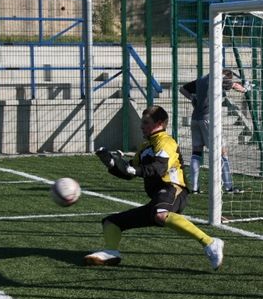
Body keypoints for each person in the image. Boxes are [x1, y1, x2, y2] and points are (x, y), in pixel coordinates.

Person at [84, 105, 224, 270]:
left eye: (146, 123)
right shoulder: (145, 146)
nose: (141, 126)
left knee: (160, 214)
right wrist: (112, 163)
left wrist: (133, 169)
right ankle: (111, 252)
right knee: (111, 222)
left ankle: (210, 243)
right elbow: (129, 172)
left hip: (173, 189)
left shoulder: (166, 142)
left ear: (160, 123)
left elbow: (159, 168)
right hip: (158, 197)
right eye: (142, 122)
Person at [179, 69, 247, 194]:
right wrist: (246, 89)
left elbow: (182, 89)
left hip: (195, 119)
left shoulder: (201, 80)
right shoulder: (219, 78)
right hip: (209, 120)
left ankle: (194, 188)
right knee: (222, 152)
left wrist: (192, 98)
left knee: (196, 152)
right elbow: (236, 86)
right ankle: (228, 187)